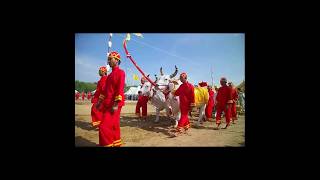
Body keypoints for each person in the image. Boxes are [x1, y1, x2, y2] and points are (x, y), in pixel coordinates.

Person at [96, 51, 125, 147]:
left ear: (117, 60)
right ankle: (116, 144)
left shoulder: (121, 73)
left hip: (115, 104)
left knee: (103, 127)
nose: (108, 61)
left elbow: (120, 88)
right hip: (107, 104)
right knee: (114, 126)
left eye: (110, 59)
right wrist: (99, 102)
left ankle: (107, 144)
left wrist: (116, 104)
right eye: (108, 59)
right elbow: (104, 91)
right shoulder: (108, 77)